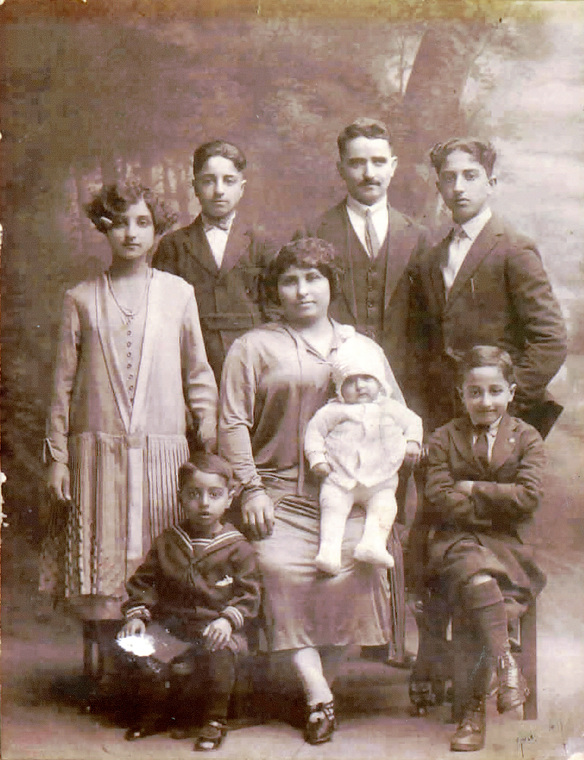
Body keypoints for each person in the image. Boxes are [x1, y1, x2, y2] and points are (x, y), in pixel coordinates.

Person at [219, 238, 406, 745]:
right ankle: (318, 694)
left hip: (349, 495)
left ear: (331, 285)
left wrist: (391, 467)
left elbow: (394, 412)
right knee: (276, 570)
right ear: (274, 290)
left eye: (313, 278)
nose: (303, 291)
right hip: (276, 492)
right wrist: (251, 490)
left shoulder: (360, 346)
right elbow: (232, 424)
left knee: (360, 565)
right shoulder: (252, 346)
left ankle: (315, 686)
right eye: (290, 280)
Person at [42, 181, 218, 669]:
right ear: (105, 228)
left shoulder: (178, 293)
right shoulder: (79, 298)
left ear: (157, 228)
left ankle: (154, 668)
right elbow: (62, 386)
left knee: (157, 558)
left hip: (163, 452)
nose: (131, 233)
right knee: (105, 562)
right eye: (120, 222)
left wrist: (208, 435)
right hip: (98, 455)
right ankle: (116, 667)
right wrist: (58, 458)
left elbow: (198, 373)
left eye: (142, 222)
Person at [303, 118, 427, 665]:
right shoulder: (316, 232)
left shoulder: (418, 234)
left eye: (378, 161)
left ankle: (395, 639)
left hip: (401, 396)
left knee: (395, 509)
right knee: (340, 502)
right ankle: (342, 638)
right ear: (340, 169)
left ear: (394, 166)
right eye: (357, 162)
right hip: (341, 399)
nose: (368, 172)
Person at [415, 346, 546, 752]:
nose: (485, 402)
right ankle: (506, 666)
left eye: (494, 391)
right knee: (472, 567)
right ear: (461, 395)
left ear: (510, 393)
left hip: (508, 547)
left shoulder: (526, 437)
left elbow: (527, 497)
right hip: (453, 542)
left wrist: (471, 488)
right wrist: (495, 504)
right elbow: (437, 496)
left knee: (478, 584)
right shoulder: (443, 437)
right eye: (475, 392)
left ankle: (472, 712)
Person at [410, 137, 567, 439]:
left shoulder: (514, 249)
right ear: (439, 187)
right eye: (448, 178)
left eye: (470, 176)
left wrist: (505, 401)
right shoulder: (432, 257)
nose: (458, 187)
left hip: (503, 419)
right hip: (446, 417)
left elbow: (551, 339)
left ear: (490, 183)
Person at [117, 453, 261, 751]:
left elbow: (249, 594)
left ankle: (214, 720)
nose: (204, 503)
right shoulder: (169, 541)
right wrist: (137, 616)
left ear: (230, 498)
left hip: (217, 629)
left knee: (221, 653)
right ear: (180, 496)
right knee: (140, 647)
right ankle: (156, 713)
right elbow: (144, 582)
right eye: (194, 494)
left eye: (215, 494)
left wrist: (226, 619)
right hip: (174, 627)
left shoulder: (238, 548)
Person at [152, 139, 275, 385]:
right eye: (208, 181)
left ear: (241, 187)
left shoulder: (260, 241)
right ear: (195, 187)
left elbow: (276, 307)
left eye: (228, 181)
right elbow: (162, 314)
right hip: (196, 358)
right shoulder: (174, 245)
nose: (219, 190)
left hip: (254, 357)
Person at [304, 334, 423, 575]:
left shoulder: (390, 407)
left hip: (380, 480)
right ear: (339, 387)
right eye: (350, 381)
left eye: (367, 379)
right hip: (340, 478)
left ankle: (373, 543)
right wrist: (317, 459)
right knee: (333, 506)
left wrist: (413, 442)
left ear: (380, 382)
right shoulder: (333, 411)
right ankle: (328, 551)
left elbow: (414, 422)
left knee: (385, 506)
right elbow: (314, 433)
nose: (360, 386)